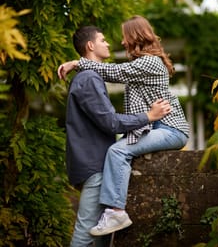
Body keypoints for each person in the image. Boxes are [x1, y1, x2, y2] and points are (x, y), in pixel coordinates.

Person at [58, 16, 189, 237]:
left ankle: (117, 211)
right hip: (156, 127)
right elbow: (116, 73)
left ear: (135, 36)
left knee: (117, 150)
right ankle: (113, 213)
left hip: (169, 128)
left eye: (124, 36)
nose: (120, 42)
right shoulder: (141, 64)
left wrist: (77, 62)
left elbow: (114, 72)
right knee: (120, 150)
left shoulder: (149, 62)